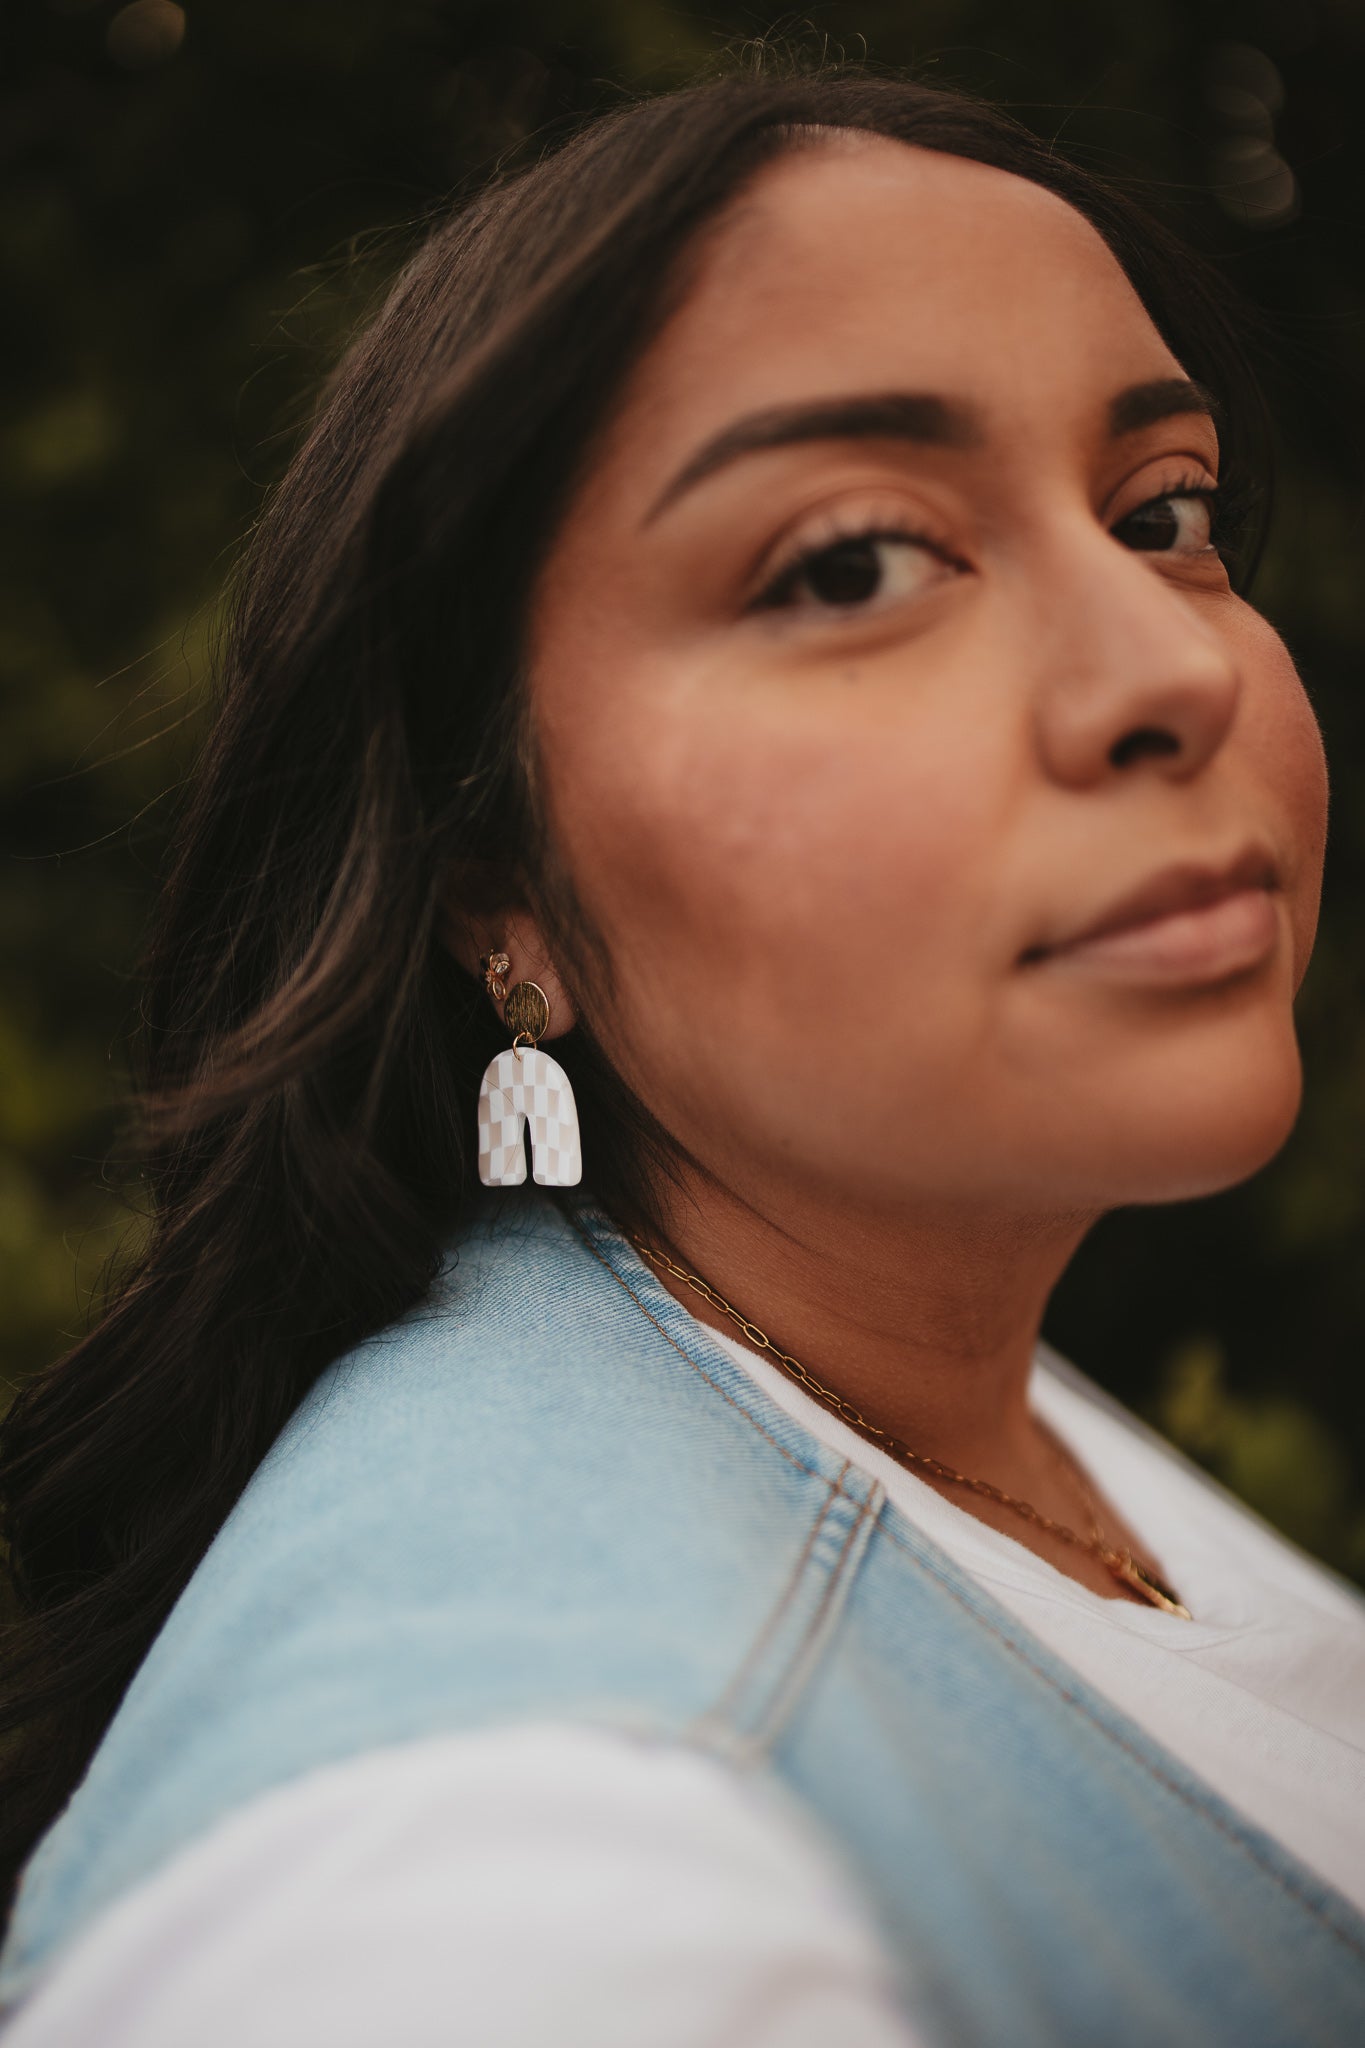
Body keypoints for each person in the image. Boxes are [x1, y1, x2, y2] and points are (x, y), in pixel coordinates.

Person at [1, 65, 1362, 2047]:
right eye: (850, 565)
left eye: (1157, 512)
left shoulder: (906, 1346)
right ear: (499, 886)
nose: (1169, 667)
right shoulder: (514, 1891)